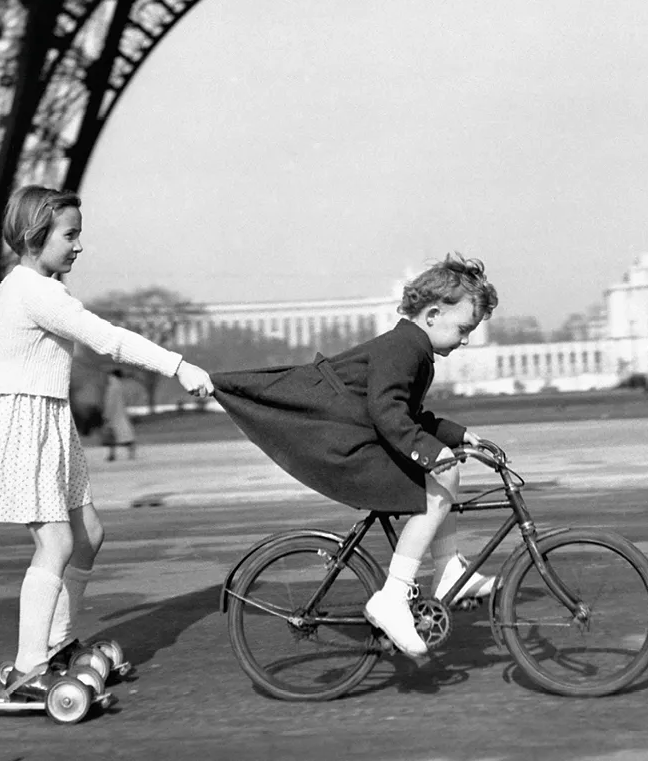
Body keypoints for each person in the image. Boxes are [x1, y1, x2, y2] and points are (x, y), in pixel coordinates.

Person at [0, 184, 214, 698]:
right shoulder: (34, 290)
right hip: (23, 422)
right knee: (55, 542)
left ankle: (57, 643)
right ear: (37, 234)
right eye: (71, 234)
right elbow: (107, 338)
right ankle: (27, 665)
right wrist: (179, 366)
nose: (79, 246)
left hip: (46, 418)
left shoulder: (26, 287)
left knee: (89, 534)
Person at [211, 254, 499, 659]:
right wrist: (432, 454)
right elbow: (388, 413)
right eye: (465, 328)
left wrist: (457, 437)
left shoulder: (412, 347)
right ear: (433, 314)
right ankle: (393, 597)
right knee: (436, 486)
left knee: (446, 474)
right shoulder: (404, 348)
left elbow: (408, 415)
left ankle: (448, 568)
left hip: (354, 438)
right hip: (344, 447)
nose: (467, 339)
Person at [102, 369, 136, 461]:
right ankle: (130, 453)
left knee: (112, 435)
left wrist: (107, 414)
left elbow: (110, 402)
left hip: (114, 415)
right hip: (121, 414)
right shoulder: (122, 386)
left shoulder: (112, 387)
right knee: (125, 435)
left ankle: (112, 454)